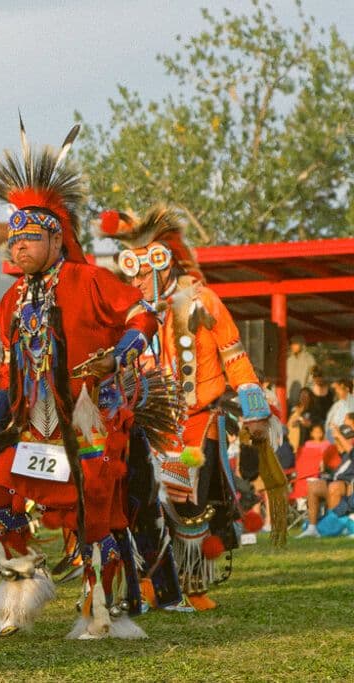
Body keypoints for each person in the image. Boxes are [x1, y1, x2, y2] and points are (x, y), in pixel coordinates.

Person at [0, 121, 163, 640]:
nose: (18, 247)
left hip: (89, 417)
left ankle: (100, 610)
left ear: (57, 236)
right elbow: (12, 370)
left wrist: (118, 356)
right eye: (13, 238)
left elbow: (144, 313)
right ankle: (20, 584)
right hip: (30, 424)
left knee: (93, 514)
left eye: (30, 237)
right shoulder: (12, 301)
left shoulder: (91, 280)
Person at [101, 204, 273, 611]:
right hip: (147, 423)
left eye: (146, 271)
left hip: (197, 420)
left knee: (189, 502)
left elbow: (234, 356)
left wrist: (255, 410)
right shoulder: (132, 313)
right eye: (133, 272)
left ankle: (193, 583)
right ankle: (149, 579)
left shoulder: (202, 302)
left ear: (164, 264)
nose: (138, 280)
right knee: (142, 500)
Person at [297, 423, 345, 537]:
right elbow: (325, 467)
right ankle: (312, 528)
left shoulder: (349, 449)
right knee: (313, 485)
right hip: (332, 480)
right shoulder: (331, 449)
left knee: (335, 487)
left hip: (346, 484)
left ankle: (336, 526)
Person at [286, 335, 316, 407]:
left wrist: (306, 395)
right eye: (292, 344)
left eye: (296, 344)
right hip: (288, 398)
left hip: (302, 400)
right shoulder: (288, 360)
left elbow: (313, 379)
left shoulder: (309, 360)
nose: (293, 346)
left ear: (302, 345)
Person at [324, 379, 354, 443]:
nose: (337, 391)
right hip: (331, 436)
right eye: (336, 389)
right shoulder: (336, 405)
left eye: (339, 389)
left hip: (346, 437)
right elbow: (328, 422)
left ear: (347, 389)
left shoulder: (352, 402)